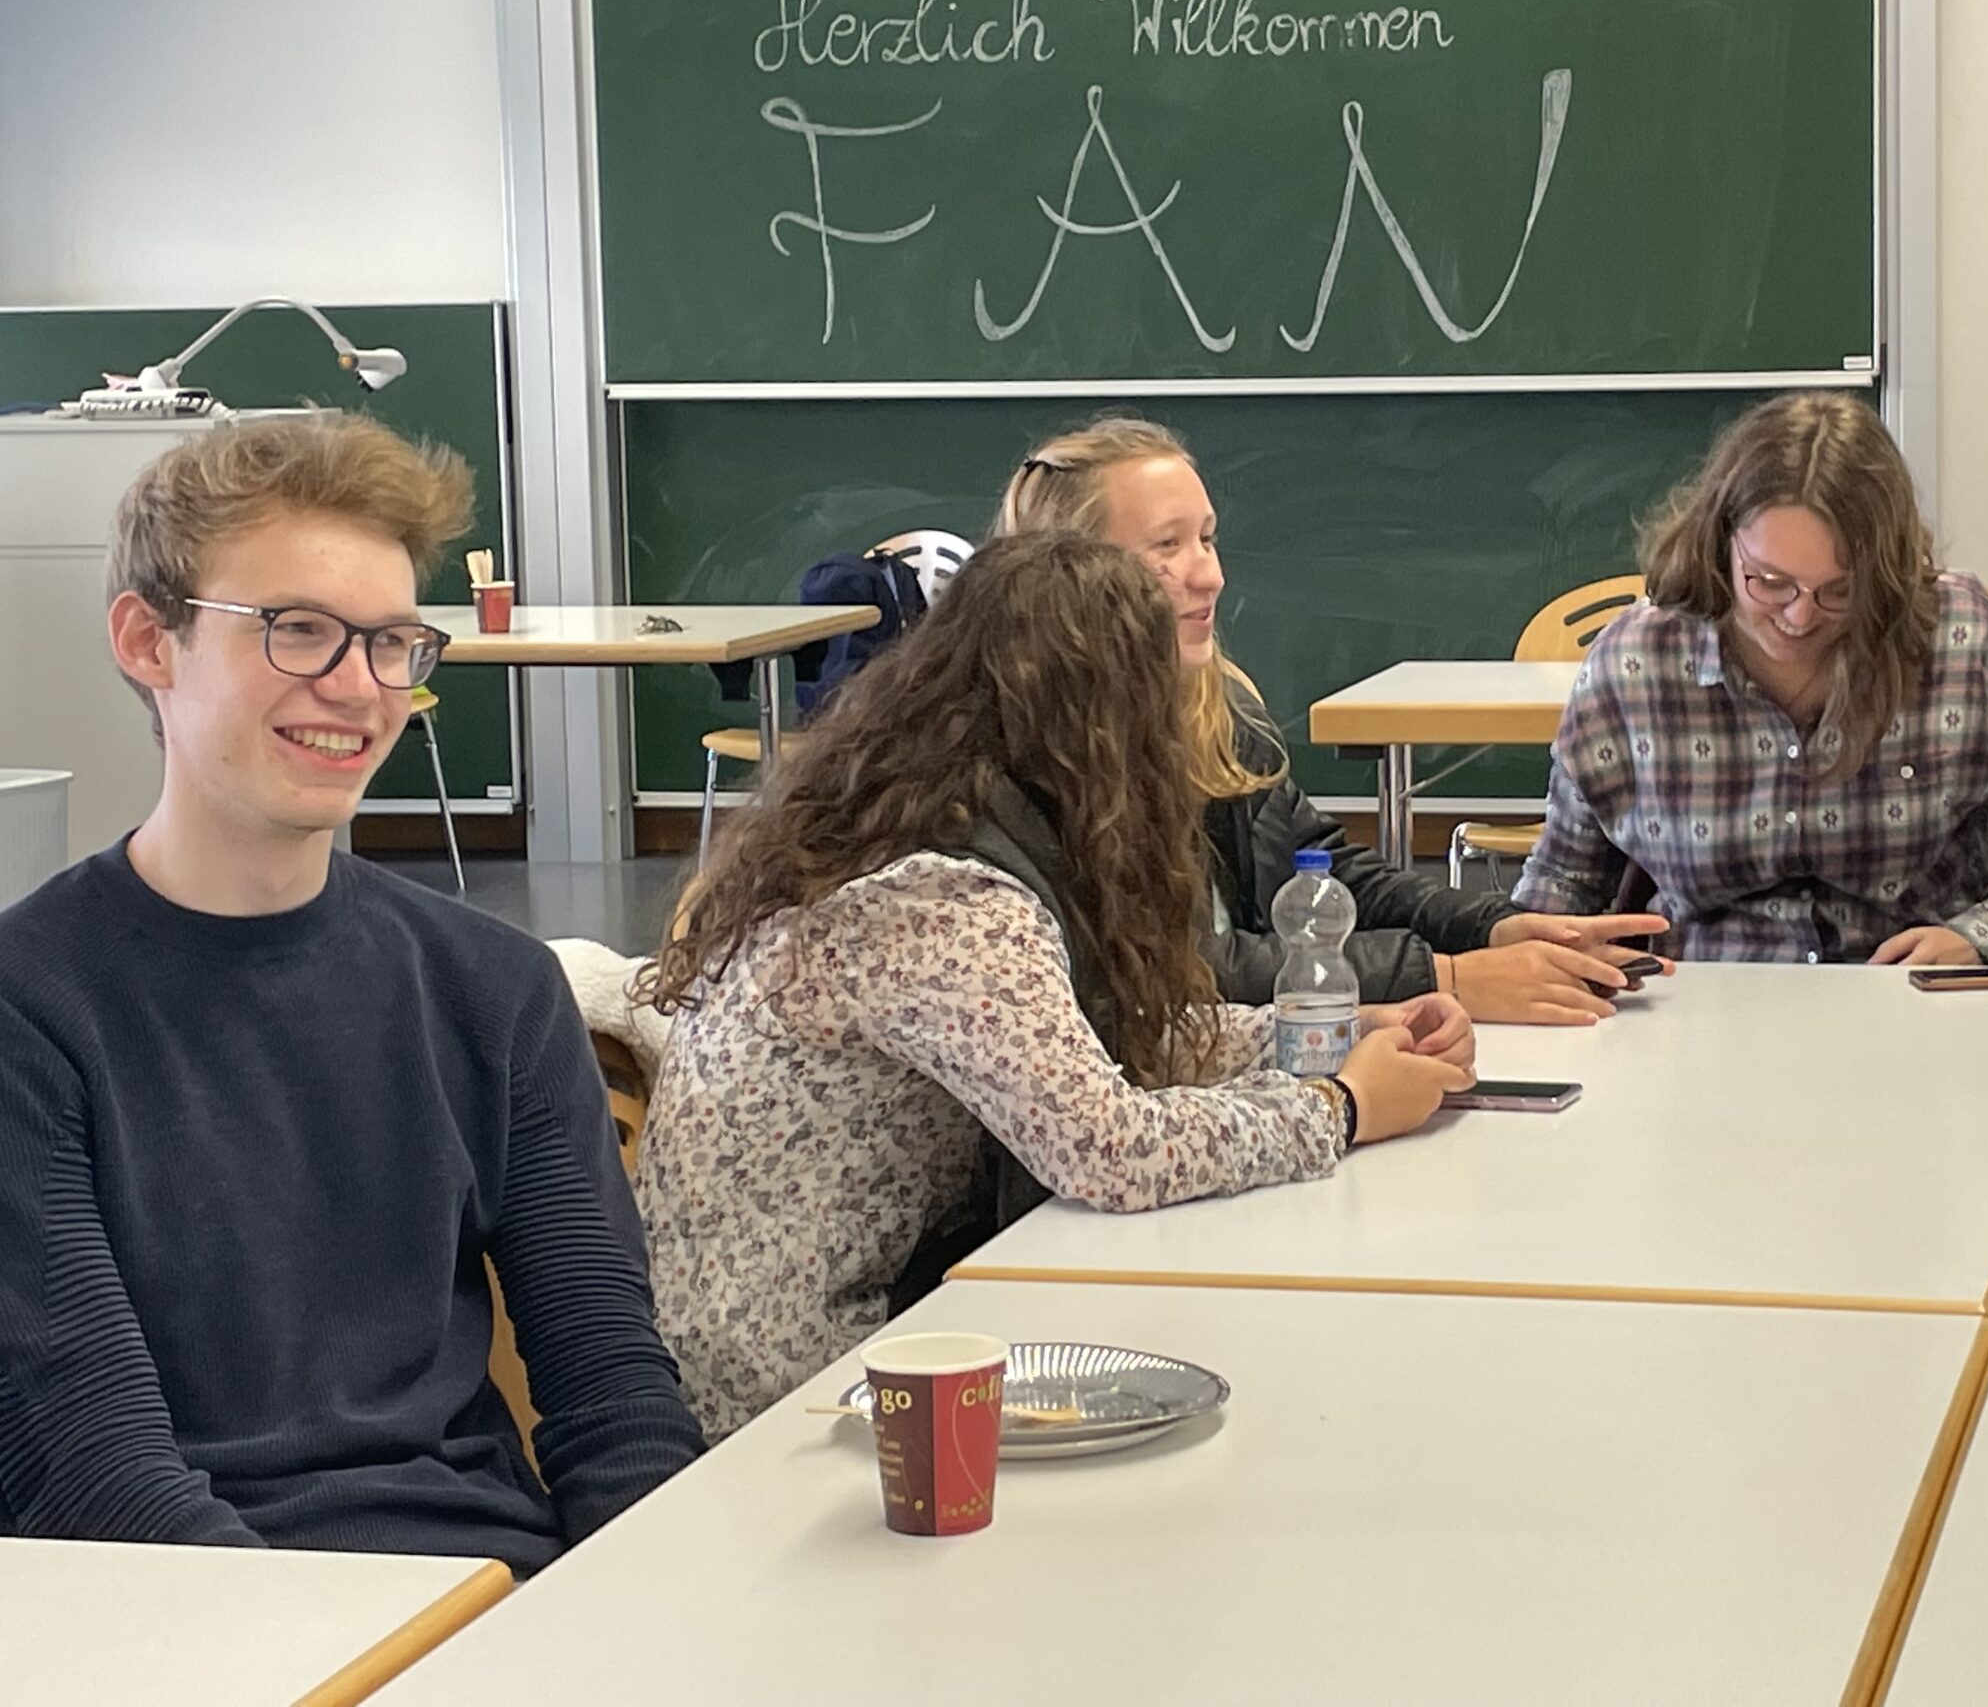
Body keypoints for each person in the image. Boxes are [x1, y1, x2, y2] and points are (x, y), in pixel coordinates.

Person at [0, 412, 703, 1573]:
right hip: (170, 1618)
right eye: (299, 631)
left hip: (483, 1592)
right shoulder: (32, 1010)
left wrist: (654, 1620)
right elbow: (92, 1472)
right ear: (146, 640)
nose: (358, 687)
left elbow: (614, 1402)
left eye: (389, 643)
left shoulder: (493, 993)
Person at [636, 532, 1476, 1439]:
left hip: (847, 1323)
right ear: (1106, 722)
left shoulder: (922, 815)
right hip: (791, 1393)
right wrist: (1339, 1108)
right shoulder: (944, 896)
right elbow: (1107, 1150)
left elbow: (1109, 1041)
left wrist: (1324, 1035)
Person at [993, 416, 1666, 1025]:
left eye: (1207, 538)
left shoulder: (1219, 709)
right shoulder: (1024, 758)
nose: (1210, 575)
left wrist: (1493, 926)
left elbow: (1325, 874)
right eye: (1166, 547)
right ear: (1069, 569)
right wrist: (1445, 978)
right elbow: (1167, 971)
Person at [1512, 393, 1988, 964]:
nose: (1799, 616)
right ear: (1721, 545)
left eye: (1839, 591)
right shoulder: (1635, 664)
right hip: (1708, 1003)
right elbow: (1567, 874)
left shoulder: (1959, 639)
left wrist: (1981, 936)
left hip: (1916, 995)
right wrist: (1531, 963)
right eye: (1770, 582)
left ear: (1887, 572)